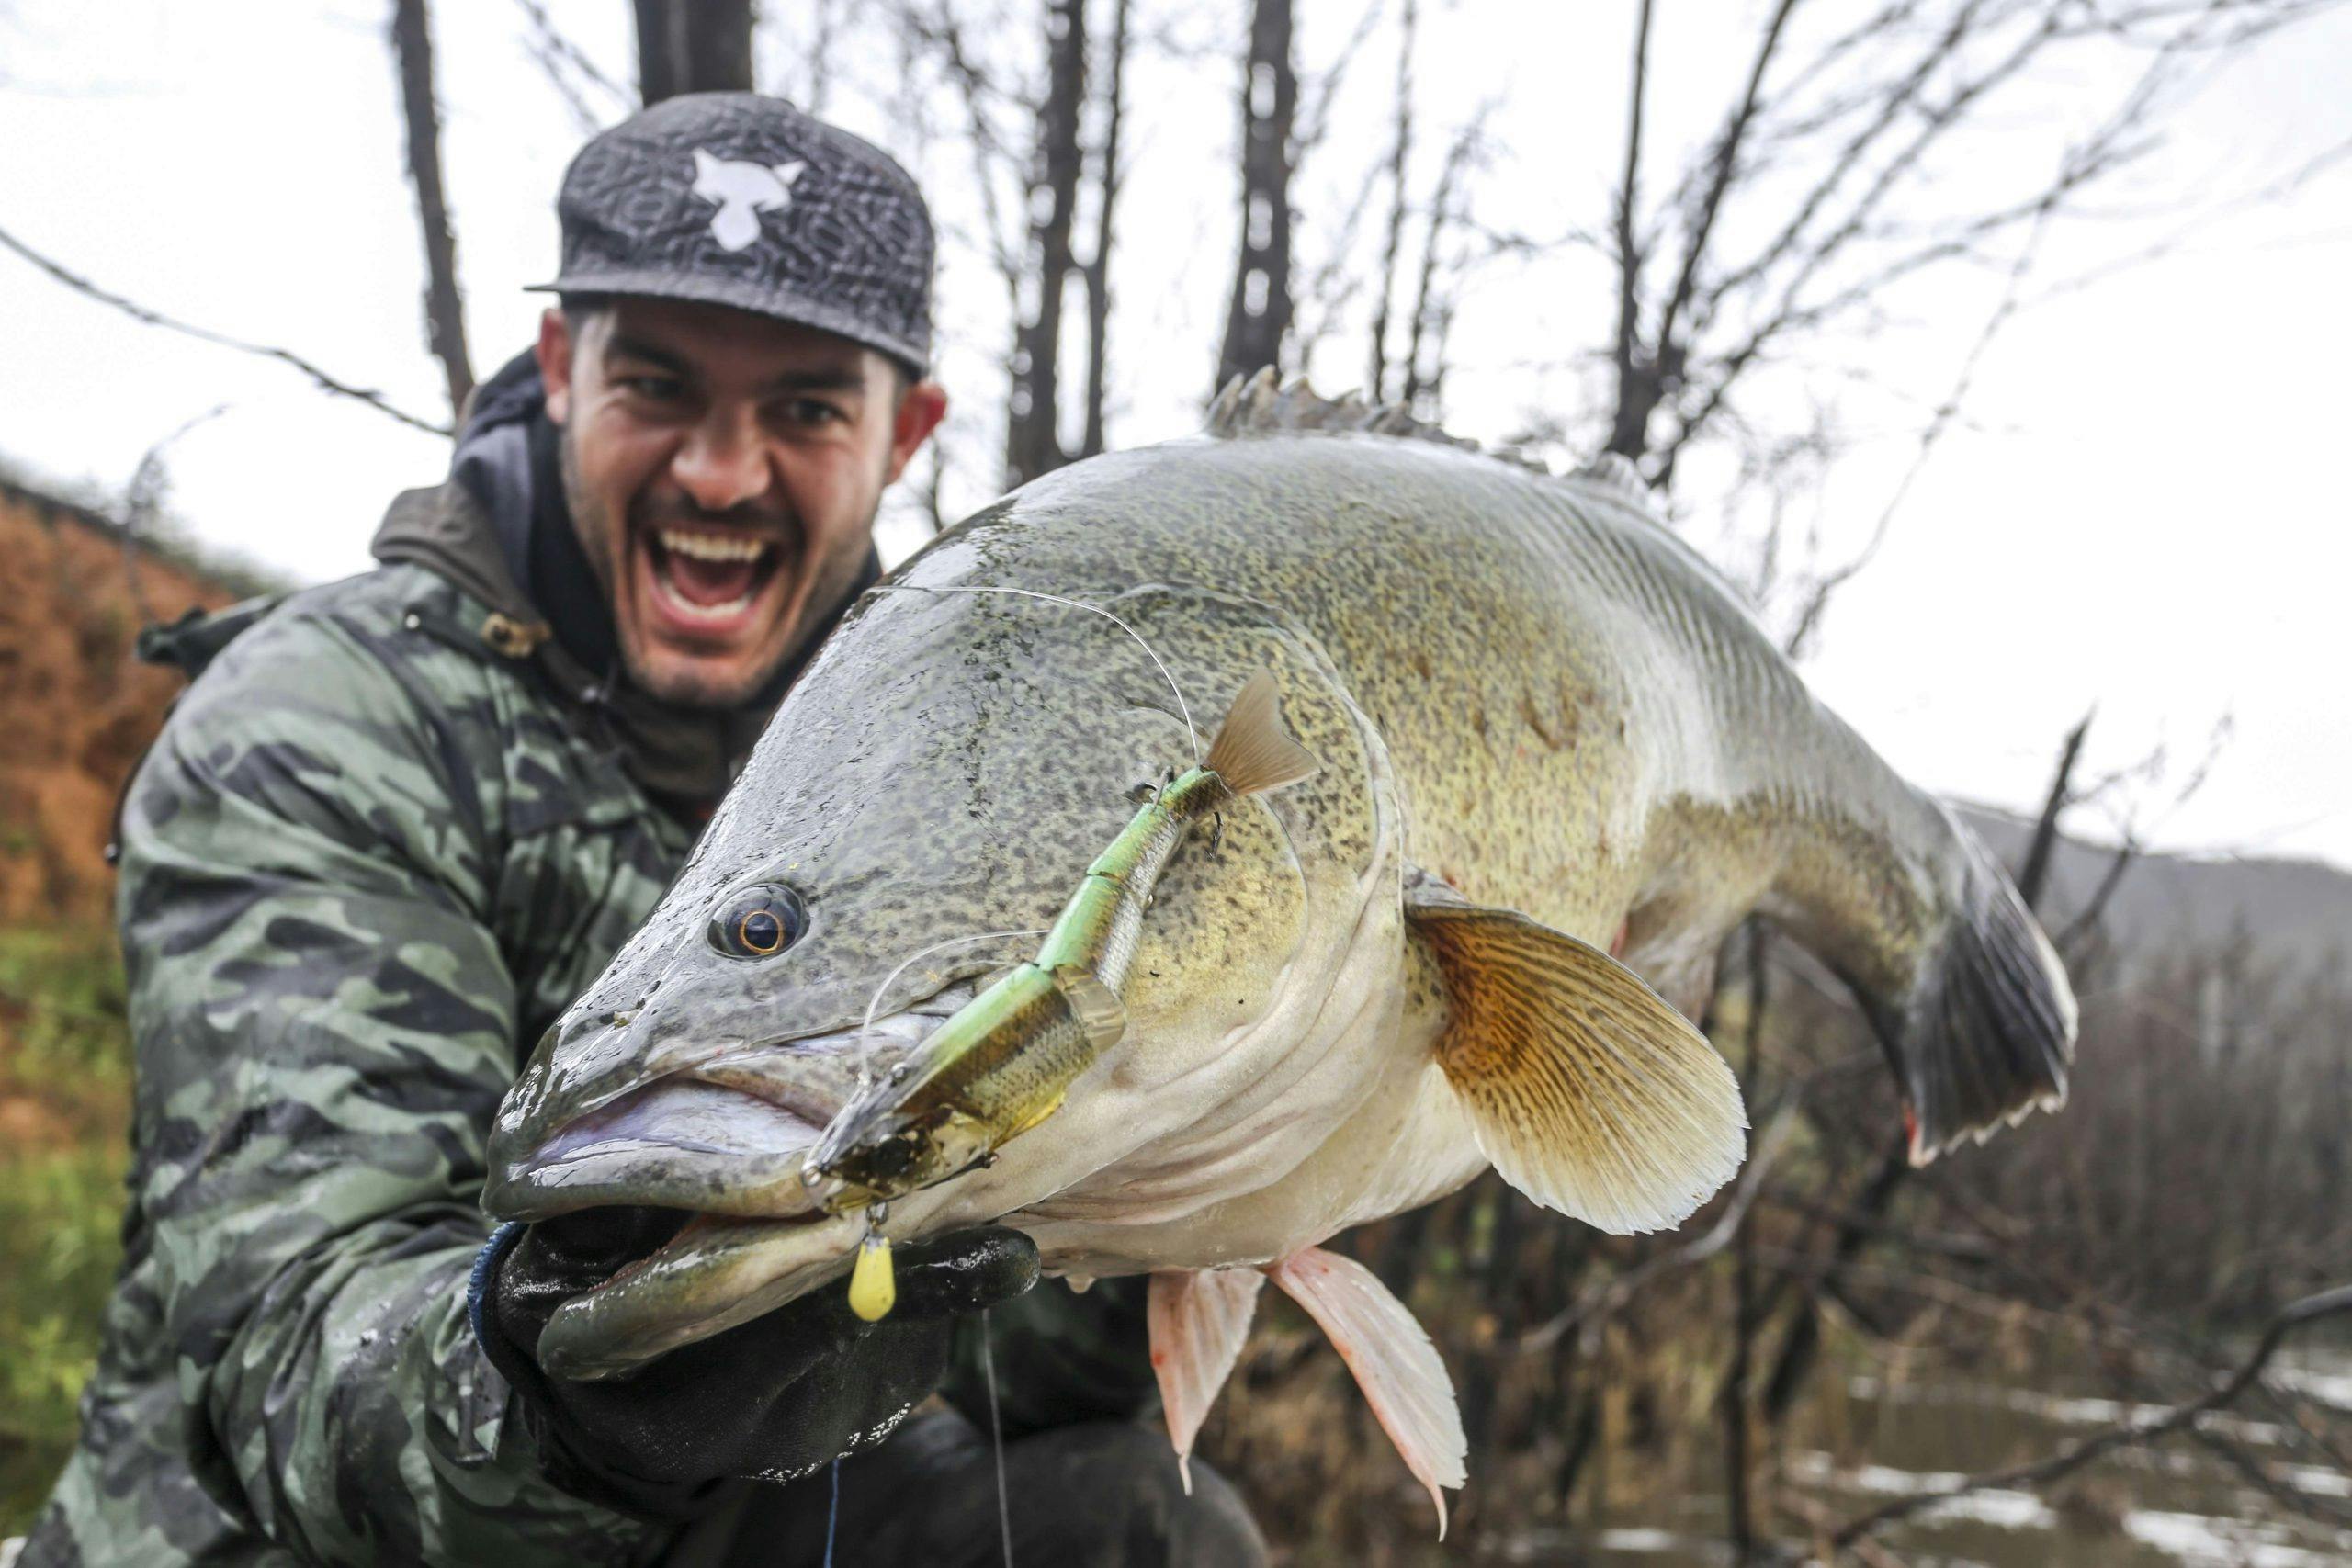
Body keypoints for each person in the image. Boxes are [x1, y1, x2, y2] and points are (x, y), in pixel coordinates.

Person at [21, 93, 1266, 1568]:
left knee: (1139, 1523)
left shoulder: (979, 751)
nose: (720, 475)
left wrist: (1216, 1116)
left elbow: (1023, 1384)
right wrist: (579, 1386)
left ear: (909, 431)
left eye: (805, 407)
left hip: (727, 1524)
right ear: (560, 368)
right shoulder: (321, 723)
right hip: (295, 1538)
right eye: (658, 386)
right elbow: (292, 1362)